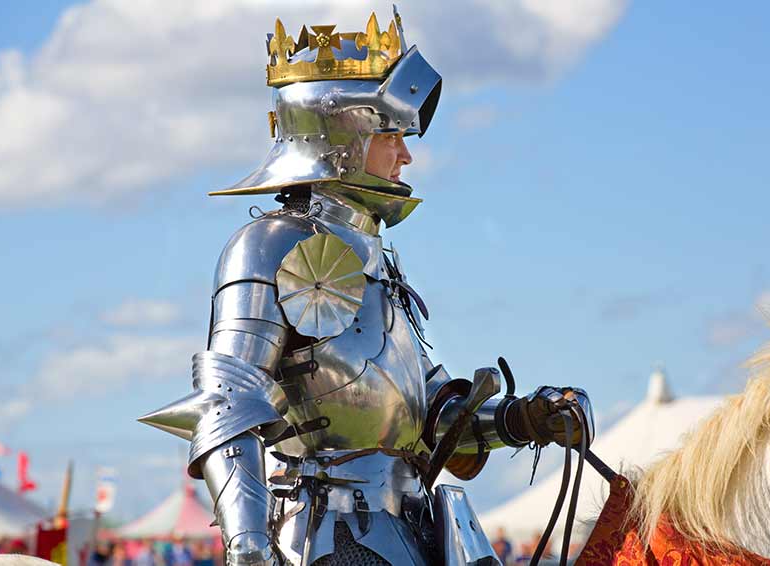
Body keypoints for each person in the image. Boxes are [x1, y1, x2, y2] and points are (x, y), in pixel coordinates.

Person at [141, 7, 594, 565]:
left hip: (412, 528)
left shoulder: (379, 259)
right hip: (325, 538)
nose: (406, 153)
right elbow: (227, 404)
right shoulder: (266, 246)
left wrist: (519, 419)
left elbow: (426, 418)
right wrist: (249, 548)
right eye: (392, 134)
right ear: (344, 135)